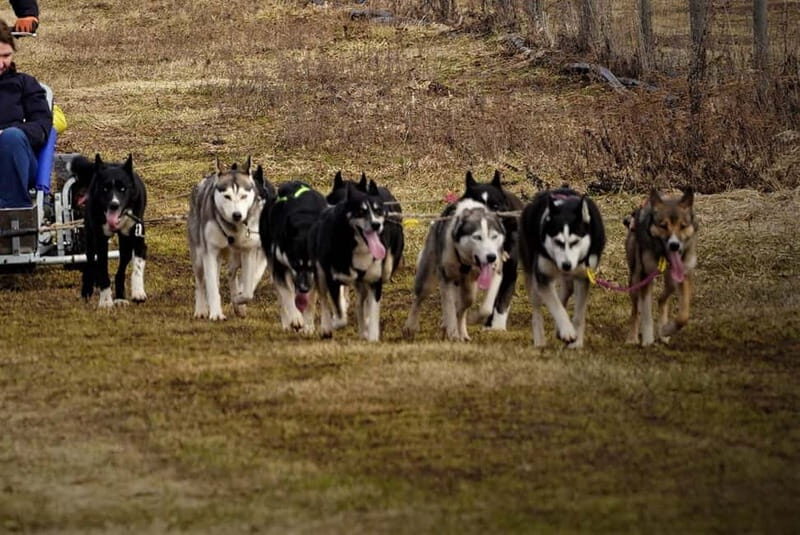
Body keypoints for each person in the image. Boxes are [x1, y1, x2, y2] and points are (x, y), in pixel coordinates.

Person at [0, 18, 52, 208]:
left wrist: (6, 134)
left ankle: (13, 212)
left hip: (17, 157)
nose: (1, 64)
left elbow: (42, 126)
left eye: (6, 55)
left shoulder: (25, 84)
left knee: (12, 137)